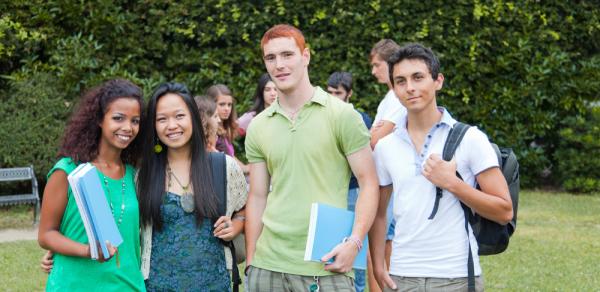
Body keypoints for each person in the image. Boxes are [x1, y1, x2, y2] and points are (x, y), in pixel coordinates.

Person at [244, 24, 379, 292]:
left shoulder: (342, 116)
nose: (279, 65)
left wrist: (354, 242)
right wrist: (251, 262)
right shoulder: (258, 126)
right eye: (270, 58)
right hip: (267, 266)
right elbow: (258, 196)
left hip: (326, 265)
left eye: (287, 55)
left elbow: (369, 183)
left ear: (305, 56)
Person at [370, 43, 513, 291]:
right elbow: (379, 213)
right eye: (400, 81)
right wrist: (379, 266)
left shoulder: (470, 138)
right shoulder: (385, 147)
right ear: (393, 88)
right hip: (402, 276)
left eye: (418, 77)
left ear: (438, 81)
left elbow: (503, 211)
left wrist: (452, 183)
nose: (410, 88)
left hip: (455, 276)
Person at [137, 82, 247, 291]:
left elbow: (244, 207)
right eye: (162, 119)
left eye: (179, 116)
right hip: (157, 285)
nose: (171, 125)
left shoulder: (223, 166)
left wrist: (237, 225)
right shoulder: (144, 175)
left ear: (194, 119)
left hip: (215, 284)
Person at [37, 79, 145, 291]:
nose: (128, 128)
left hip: (128, 285)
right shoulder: (69, 170)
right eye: (118, 118)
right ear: (99, 119)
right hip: (74, 285)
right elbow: (46, 234)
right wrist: (88, 250)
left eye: (135, 121)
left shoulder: (134, 175)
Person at [326, 71, 371, 292]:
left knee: (356, 245)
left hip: (354, 190)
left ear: (349, 93)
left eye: (339, 93)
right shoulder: (321, 116)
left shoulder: (360, 118)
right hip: (329, 189)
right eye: (330, 92)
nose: (334, 97)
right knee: (328, 246)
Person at [369, 39, 406, 148]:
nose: (373, 71)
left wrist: (370, 134)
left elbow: (374, 141)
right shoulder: (390, 96)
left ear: (391, 63)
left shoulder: (400, 97)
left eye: (377, 65)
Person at [206, 84, 239, 156]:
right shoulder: (211, 133)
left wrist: (246, 167)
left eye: (229, 104)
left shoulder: (226, 129)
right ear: (211, 105)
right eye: (222, 104)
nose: (227, 109)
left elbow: (231, 157)